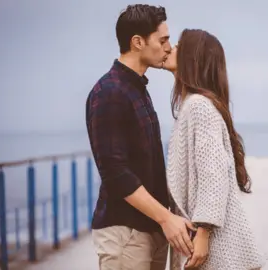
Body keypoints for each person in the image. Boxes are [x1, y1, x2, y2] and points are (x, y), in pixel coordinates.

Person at [85, 5, 196, 270]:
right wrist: (166, 219)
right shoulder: (109, 91)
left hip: (151, 229)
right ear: (137, 42)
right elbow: (115, 172)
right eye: (162, 40)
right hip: (126, 233)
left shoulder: (136, 88)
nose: (168, 47)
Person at [163, 29, 266, 270]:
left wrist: (203, 233)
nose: (171, 49)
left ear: (192, 58)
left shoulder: (199, 107)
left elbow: (214, 174)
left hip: (214, 246)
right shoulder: (195, 105)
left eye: (178, 46)